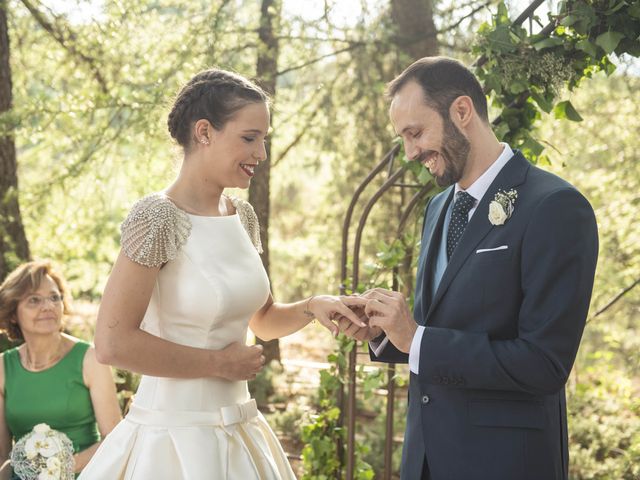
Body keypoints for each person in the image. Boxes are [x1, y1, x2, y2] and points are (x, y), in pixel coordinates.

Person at [79, 68, 363, 480]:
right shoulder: (156, 217)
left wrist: (313, 307)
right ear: (204, 133)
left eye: (264, 139)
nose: (261, 153)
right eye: (249, 138)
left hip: (241, 431)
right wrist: (217, 364)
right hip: (172, 441)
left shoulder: (242, 216)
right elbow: (111, 343)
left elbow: (262, 321)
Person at [339, 57, 599, 480]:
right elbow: (438, 323)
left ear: (461, 112)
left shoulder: (555, 207)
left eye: (416, 133)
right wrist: (387, 331)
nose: (410, 152)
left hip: (505, 463)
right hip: (425, 459)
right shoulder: (438, 207)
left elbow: (544, 364)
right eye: (403, 138)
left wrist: (418, 340)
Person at [0, 260, 121, 479]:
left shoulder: (90, 358)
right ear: (12, 313)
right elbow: (2, 457)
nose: (48, 306)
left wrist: (56, 470)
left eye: (54, 297)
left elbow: (114, 438)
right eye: (34, 300)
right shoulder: (2, 368)